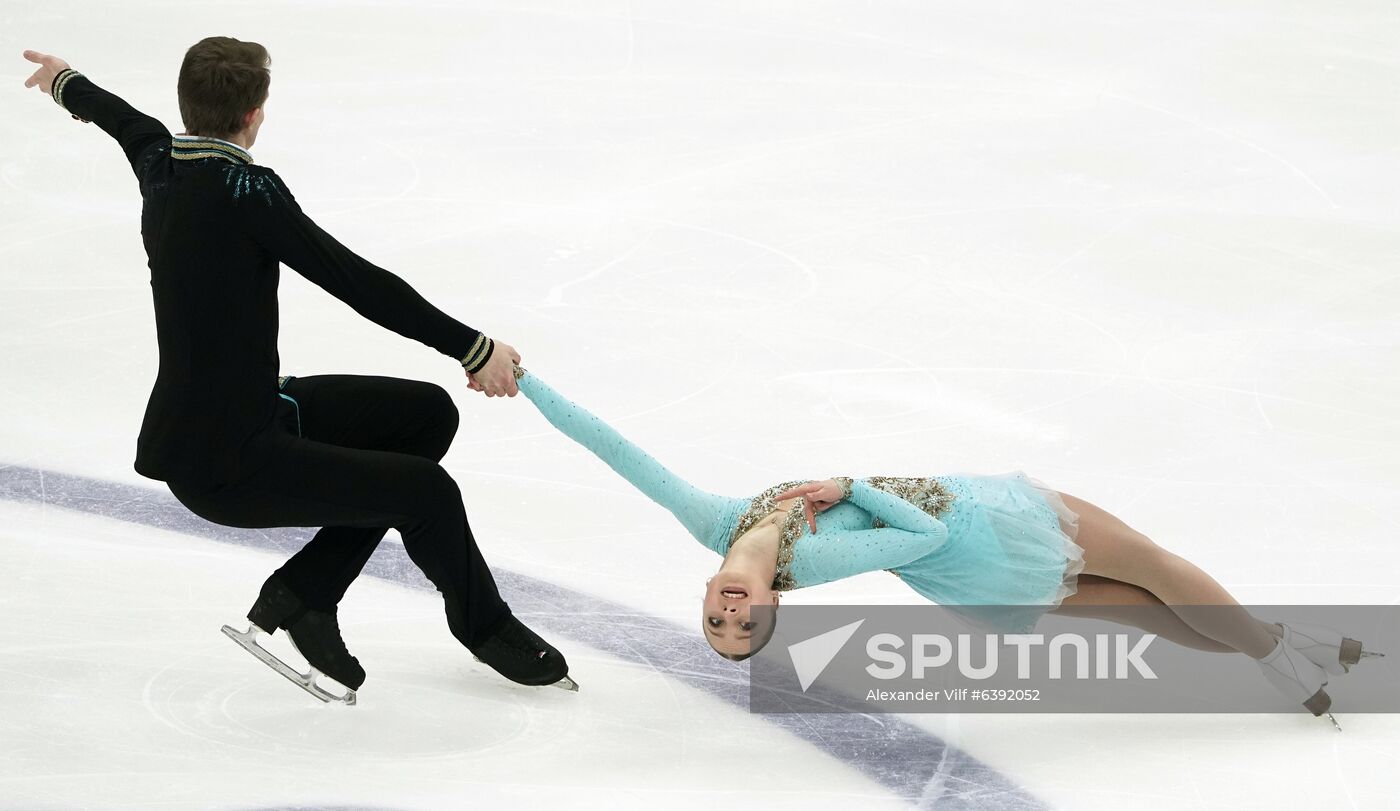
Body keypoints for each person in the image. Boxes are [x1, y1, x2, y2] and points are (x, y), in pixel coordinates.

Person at [21, 40, 575, 702]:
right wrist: (472, 347)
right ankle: (486, 627)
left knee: (427, 416)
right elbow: (357, 282)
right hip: (232, 462)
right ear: (255, 115)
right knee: (427, 491)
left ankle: (306, 594)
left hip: (238, 419)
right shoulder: (248, 189)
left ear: (187, 105)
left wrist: (65, 83)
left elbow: (119, 117)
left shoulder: (159, 160)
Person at [510, 365, 1380, 725]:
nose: (733, 619)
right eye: (747, 628)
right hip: (979, 530)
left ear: (709, 599)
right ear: (774, 603)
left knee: (1147, 612)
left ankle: (1286, 654)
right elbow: (918, 531)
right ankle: (1280, 651)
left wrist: (521, 376)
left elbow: (613, 449)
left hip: (969, 564)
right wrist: (852, 489)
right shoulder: (808, 559)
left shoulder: (716, 520)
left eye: (719, 626)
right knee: (1152, 569)